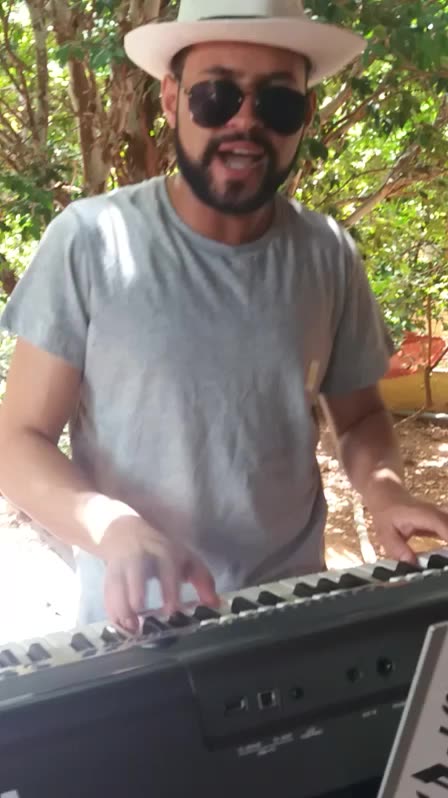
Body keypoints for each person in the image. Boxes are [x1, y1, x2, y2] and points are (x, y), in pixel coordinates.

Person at [0, 0, 447, 633]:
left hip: (288, 613)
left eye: (277, 102)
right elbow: (18, 441)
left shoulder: (327, 254)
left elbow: (360, 416)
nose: (245, 121)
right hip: (139, 627)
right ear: (171, 99)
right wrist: (112, 527)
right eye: (216, 96)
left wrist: (385, 491)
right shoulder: (89, 242)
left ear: (304, 115)